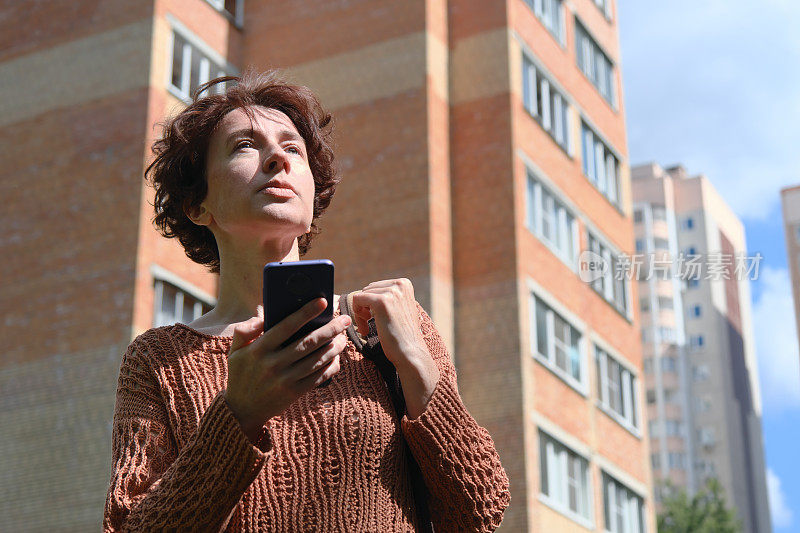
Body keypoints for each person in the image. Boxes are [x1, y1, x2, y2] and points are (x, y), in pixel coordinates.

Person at [103, 69, 510, 532]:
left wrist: (416, 363)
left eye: (293, 148)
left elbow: (481, 508)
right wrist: (240, 414)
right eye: (245, 145)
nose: (277, 157)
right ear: (198, 206)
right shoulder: (158, 361)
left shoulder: (388, 324)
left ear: (313, 191)